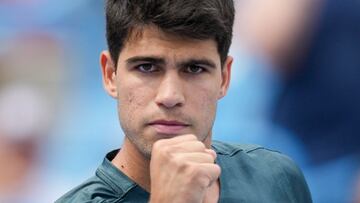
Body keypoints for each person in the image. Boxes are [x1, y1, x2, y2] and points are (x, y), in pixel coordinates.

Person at [56, 0, 312, 202]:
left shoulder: (277, 179)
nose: (169, 96)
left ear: (224, 78)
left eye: (194, 69)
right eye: (147, 67)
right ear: (110, 75)